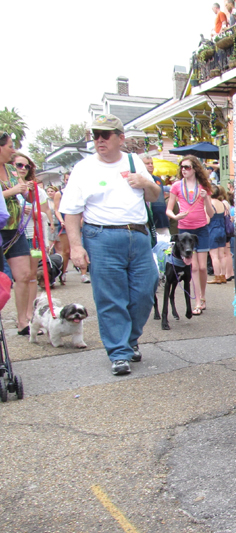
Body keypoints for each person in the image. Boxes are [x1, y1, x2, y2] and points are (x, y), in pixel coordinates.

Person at [60, 114, 160, 375]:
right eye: (95, 135)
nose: (99, 140)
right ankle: (119, 352)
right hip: (101, 237)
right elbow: (71, 211)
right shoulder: (84, 168)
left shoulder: (133, 160)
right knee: (110, 298)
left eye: (105, 135)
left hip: (137, 237)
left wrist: (146, 183)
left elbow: (155, 195)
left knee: (145, 291)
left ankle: (129, 339)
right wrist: (76, 247)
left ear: (120, 138)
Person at [166, 155, 214, 315]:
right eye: (182, 167)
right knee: (192, 266)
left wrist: (206, 198)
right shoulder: (176, 186)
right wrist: (175, 216)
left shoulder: (203, 186)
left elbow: (211, 213)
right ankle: (197, 301)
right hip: (184, 230)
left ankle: (203, 297)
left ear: (195, 168)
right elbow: (168, 209)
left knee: (202, 267)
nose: (183, 170)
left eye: (187, 167)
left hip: (201, 229)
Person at [0, 136, 37, 333]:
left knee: (23, 275)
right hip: (0, 230)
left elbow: (27, 197)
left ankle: (23, 321)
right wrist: (11, 191)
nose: (13, 151)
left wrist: (27, 189)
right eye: (9, 146)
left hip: (16, 230)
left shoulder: (12, 171)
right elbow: (11, 192)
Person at [14, 153, 55, 317]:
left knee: (30, 276)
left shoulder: (37, 190)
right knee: (20, 279)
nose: (23, 169)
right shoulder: (8, 188)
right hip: (12, 237)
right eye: (19, 165)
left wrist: (32, 212)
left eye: (26, 166)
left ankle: (29, 314)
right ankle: (21, 316)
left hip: (33, 237)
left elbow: (45, 214)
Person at [207, 184, 232, 284]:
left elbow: (207, 220)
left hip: (212, 230)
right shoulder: (222, 204)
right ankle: (223, 275)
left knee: (214, 255)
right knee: (222, 255)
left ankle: (217, 276)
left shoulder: (209, 204)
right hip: (222, 230)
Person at [141, 155, 170, 236]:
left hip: (162, 219)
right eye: (147, 163)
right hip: (148, 220)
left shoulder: (158, 180)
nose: (150, 165)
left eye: (151, 163)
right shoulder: (140, 180)